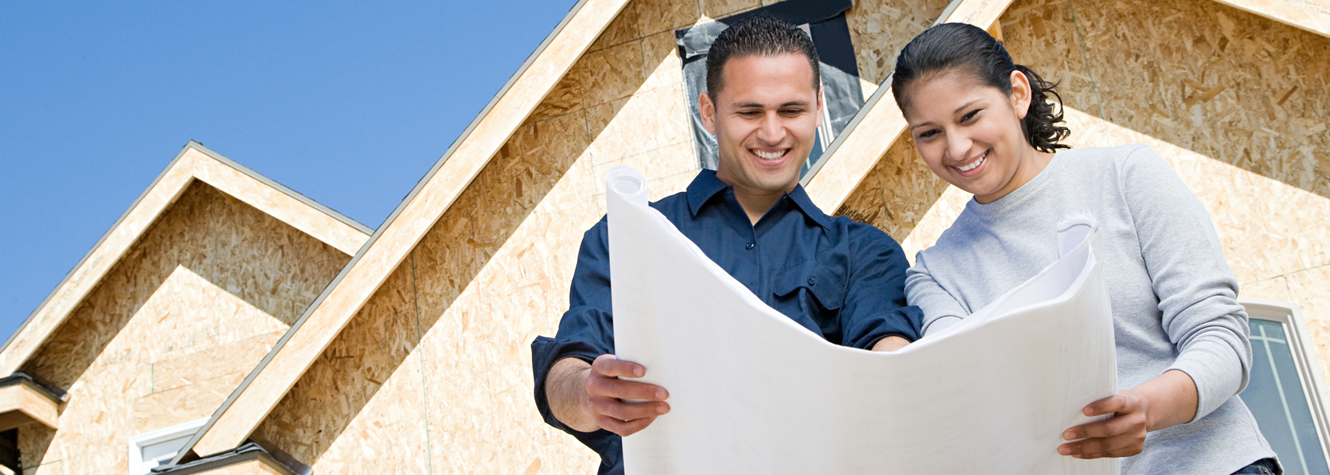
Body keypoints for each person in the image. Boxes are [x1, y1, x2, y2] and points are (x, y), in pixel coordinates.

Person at [530, 16, 922, 474]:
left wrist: (899, 377)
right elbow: (570, 365)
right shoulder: (629, 236)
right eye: (750, 112)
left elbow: (887, 348)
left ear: (818, 107)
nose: (772, 133)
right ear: (709, 112)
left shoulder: (864, 253)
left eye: (791, 111)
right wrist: (585, 393)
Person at [892, 23, 1278, 475]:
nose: (956, 147)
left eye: (970, 115)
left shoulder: (1126, 176)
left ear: (1017, 94)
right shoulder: (935, 274)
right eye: (929, 133)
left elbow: (1222, 340)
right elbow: (969, 392)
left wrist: (1147, 409)